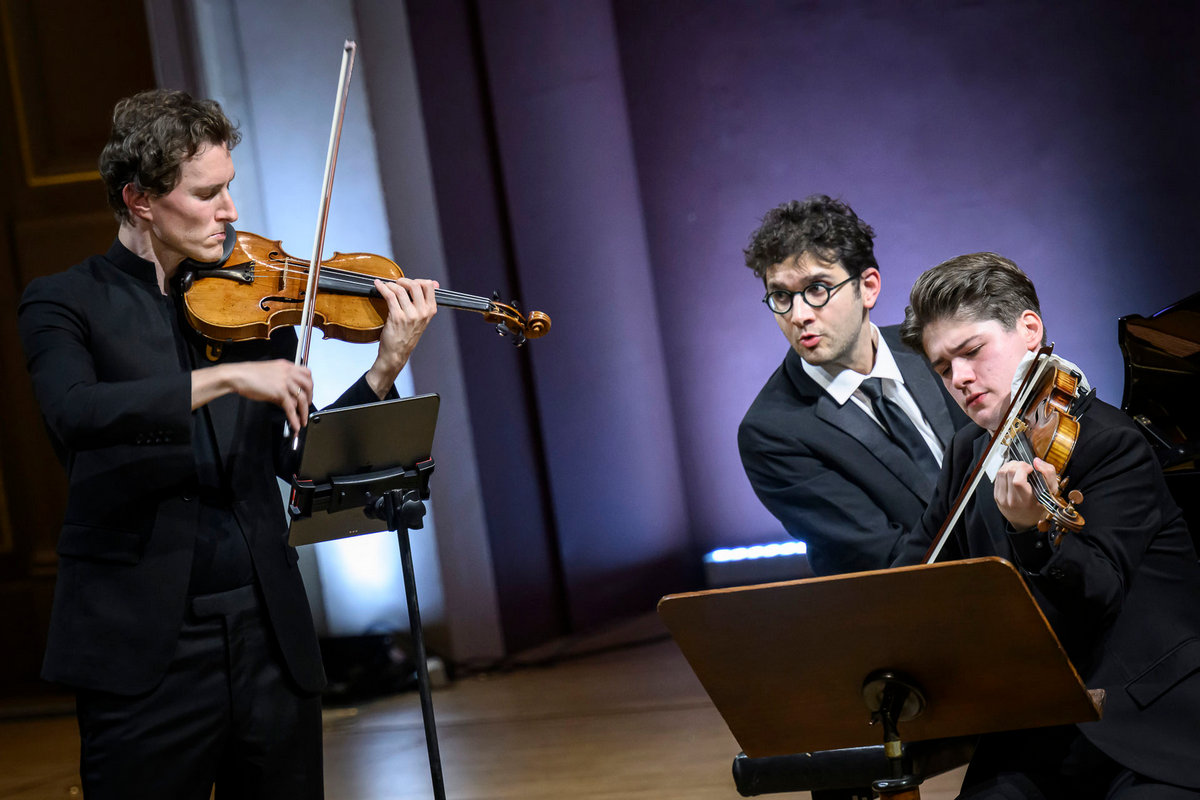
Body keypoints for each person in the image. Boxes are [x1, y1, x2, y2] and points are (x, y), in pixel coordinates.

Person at [17, 89, 438, 799]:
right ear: (141, 199)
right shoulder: (65, 302)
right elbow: (74, 412)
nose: (230, 212)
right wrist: (222, 380)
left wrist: (383, 369)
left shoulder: (253, 303)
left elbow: (298, 464)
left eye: (230, 189)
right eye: (207, 193)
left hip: (266, 638)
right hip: (144, 651)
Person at [892, 252, 1200, 798]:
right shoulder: (968, 451)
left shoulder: (1111, 442)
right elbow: (912, 574)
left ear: (1029, 330)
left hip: (1144, 725)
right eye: (943, 368)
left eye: (971, 352)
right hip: (1036, 727)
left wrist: (1032, 532)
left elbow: (1095, 598)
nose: (960, 379)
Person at [738, 195, 969, 576]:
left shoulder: (932, 348)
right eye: (781, 296)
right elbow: (887, 560)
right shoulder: (771, 431)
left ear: (869, 287)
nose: (798, 316)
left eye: (817, 289)